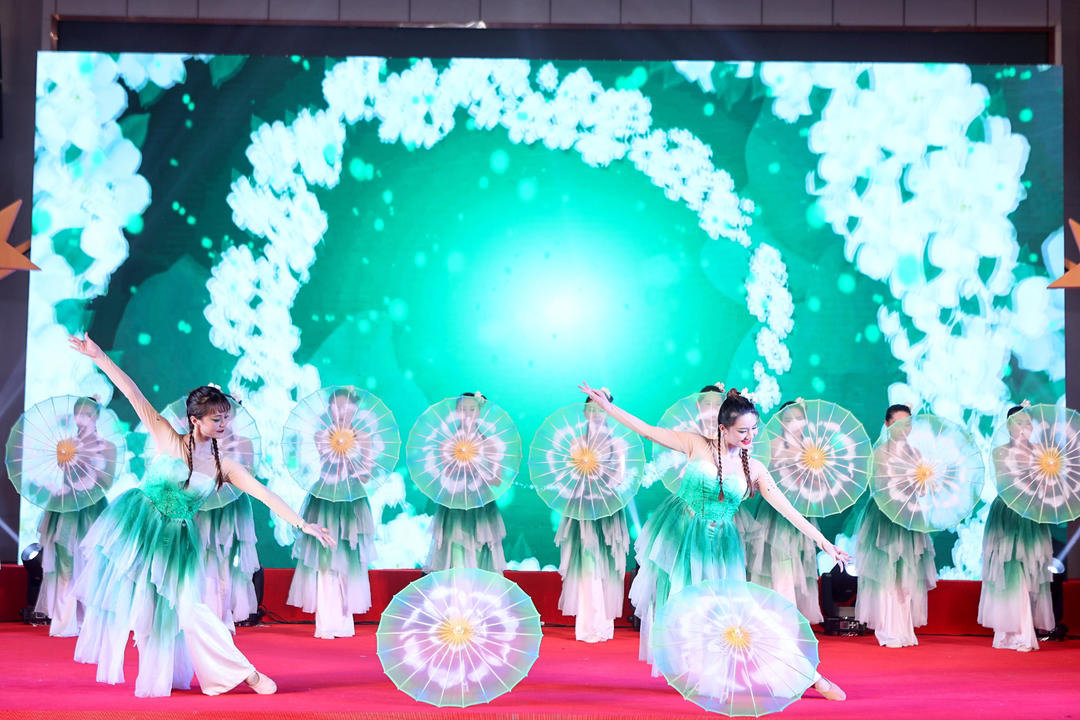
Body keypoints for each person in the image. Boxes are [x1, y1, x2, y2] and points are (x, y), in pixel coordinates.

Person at [68, 334, 334, 697]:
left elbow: (265, 494)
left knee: (190, 610)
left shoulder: (226, 466)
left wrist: (303, 524)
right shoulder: (167, 437)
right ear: (195, 420)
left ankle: (242, 672)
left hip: (176, 542)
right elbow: (132, 392)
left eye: (226, 418)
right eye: (216, 419)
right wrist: (98, 355)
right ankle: (158, 678)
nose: (223, 424)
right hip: (139, 527)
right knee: (145, 613)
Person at [579, 382, 848, 701]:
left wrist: (824, 542)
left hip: (720, 547)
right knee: (686, 613)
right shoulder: (696, 444)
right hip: (681, 539)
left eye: (754, 429)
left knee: (740, 615)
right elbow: (649, 432)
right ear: (723, 428)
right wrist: (607, 407)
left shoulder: (754, 468)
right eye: (742, 431)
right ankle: (701, 675)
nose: (750, 437)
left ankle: (807, 675)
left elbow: (787, 509)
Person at [287, 387, 378, 639]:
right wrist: (338, 446)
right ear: (329, 408)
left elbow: (366, 474)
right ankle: (326, 623)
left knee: (348, 559)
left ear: (354, 409)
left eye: (347, 406)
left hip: (351, 500)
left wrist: (353, 458)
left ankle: (345, 622)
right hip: (326, 497)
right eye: (336, 406)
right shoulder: (322, 435)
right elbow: (327, 465)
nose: (341, 411)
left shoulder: (363, 438)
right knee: (325, 558)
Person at [853, 403, 937, 648]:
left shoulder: (916, 453)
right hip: (885, 516)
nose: (903, 428)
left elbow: (922, 490)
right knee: (886, 572)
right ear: (887, 424)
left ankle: (904, 630)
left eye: (907, 423)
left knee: (907, 574)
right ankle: (888, 630)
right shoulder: (880, 452)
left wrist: (923, 482)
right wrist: (903, 483)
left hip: (908, 516)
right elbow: (879, 485)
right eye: (898, 423)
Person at [554, 390, 630, 642]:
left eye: (601, 408)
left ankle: (604, 625)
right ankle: (588, 625)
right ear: (585, 413)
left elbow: (620, 478)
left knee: (607, 564)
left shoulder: (618, 444)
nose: (596, 414)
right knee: (587, 562)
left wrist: (602, 479)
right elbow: (569, 476)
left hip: (608, 508)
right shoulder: (577, 443)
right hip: (583, 507)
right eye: (592, 409)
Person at [35, 398, 114, 637]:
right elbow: (63, 474)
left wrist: (91, 473)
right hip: (67, 507)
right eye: (78, 413)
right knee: (65, 562)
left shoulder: (107, 447)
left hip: (93, 508)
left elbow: (107, 481)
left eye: (86, 414)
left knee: (91, 563)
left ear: (95, 417)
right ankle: (64, 622)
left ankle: (89, 622)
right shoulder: (66, 444)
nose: (81, 419)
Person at [978, 404, 1055, 651]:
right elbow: (1005, 482)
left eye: (1027, 423)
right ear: (1008, 427)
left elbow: (1047, 485)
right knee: (1008, 573)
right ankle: (1009, 632)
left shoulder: (1043, 454)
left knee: (1028, 573)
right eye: (1017, 423)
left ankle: (1023, 633)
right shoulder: (1000, 452)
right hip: (1007, 513)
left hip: (1031, 515)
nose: (1023, 428)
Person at [748, 400, 823, 624]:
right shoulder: (771, 446)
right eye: (789, 419)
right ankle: (778, 617)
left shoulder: (812, 450)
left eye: (799, 419)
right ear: (780, 422)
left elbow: (818, 486)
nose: (794, 424)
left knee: (797, 562)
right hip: (774, 512)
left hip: (801, 511)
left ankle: (793, 615)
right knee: (778, 561)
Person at [424, 392, 507, 572]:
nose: (467, 414)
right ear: (456, 412)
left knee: (480, 559)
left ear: (479, 412)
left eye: (472, 409)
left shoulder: (489, 444)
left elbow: (497, 480)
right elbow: (444, 475)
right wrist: (461, 465)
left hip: (481, 506)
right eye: (463, 409)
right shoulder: (448, 444)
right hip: (455, 505)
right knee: (456, 557)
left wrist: (480, 470)